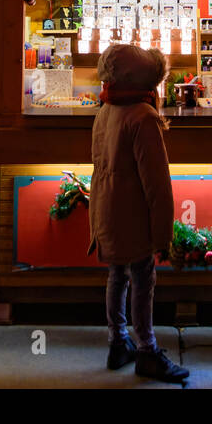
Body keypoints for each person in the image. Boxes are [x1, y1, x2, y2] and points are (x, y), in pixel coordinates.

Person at [87, 44, 188, 383]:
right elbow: (157, 184)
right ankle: (147, 349)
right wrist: (163, 234)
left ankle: (118, 342)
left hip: (107, 208)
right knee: (143, 279)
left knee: (117, 275)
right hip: (135, 214)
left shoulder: (106, 109)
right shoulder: (143, 117)